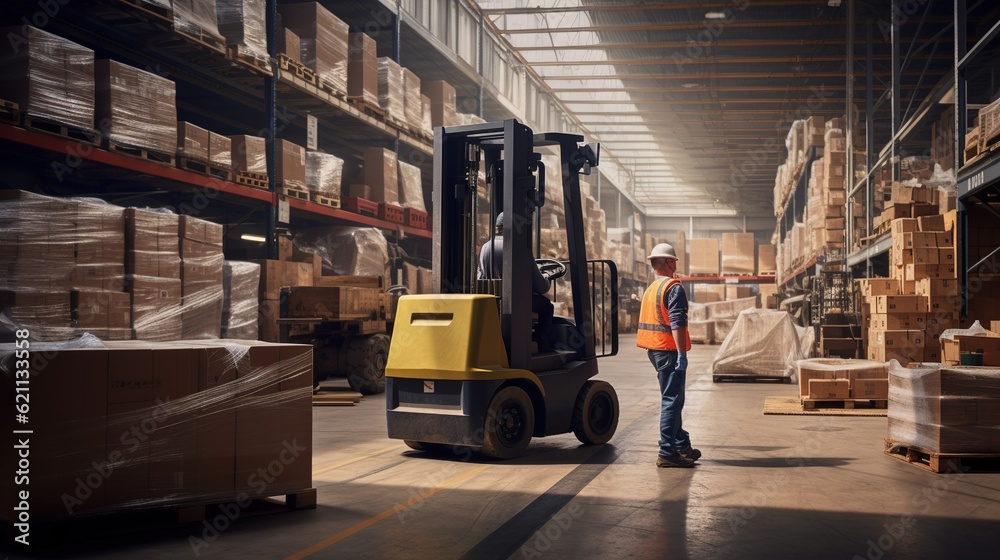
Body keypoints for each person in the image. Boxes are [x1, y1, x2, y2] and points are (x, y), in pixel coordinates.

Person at [636, 243, 698, 468]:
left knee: (672, 398)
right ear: (670, 262)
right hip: (669, 351)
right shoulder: (673, 287)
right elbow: (677, 323)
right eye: (675, 261)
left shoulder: (652, 288)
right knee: (672, 401)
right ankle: (667, 452)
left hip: (654, 350)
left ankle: (681, 444)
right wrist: (682, 354)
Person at [479, 212, 554, 353]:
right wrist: (546, 276)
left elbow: (482, 275)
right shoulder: (520, 248)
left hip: (494, 300)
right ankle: (541, 342)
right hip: (519, 301)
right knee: (547, 306)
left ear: (497, 228)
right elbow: (541, 286)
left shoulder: (486, 247)